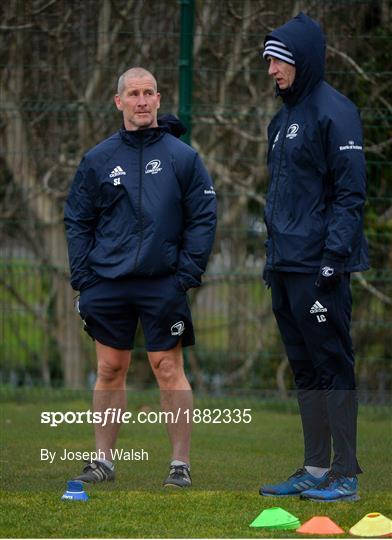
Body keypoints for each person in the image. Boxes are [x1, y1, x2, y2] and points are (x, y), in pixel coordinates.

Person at [64, 67, 217, 488]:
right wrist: (84, 279)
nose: (142, 100)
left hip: (162, 281)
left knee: (167, 367)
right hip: (107, 282)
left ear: (159, 99)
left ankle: (179, 466)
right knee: (110, 368)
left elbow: (203, 218)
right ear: (119, 102)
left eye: (149, 92)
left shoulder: (182, 158)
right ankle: (103, 462)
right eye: (133, 93)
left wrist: (185, 274)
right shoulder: (98, 159)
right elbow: (77, 219)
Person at [259, 13, 369, 502]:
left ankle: (346, 475)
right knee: (304, 369)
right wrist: (271, 256)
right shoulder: (279, 120)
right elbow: (281, 196)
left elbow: (349, 196)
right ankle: (314, 467)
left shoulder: (336, 111)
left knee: (332, 366)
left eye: (278, 61)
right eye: (267, 62)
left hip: (320, 267)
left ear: (301, 60)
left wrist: (332, 259)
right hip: (285, 267)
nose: (271, 71)